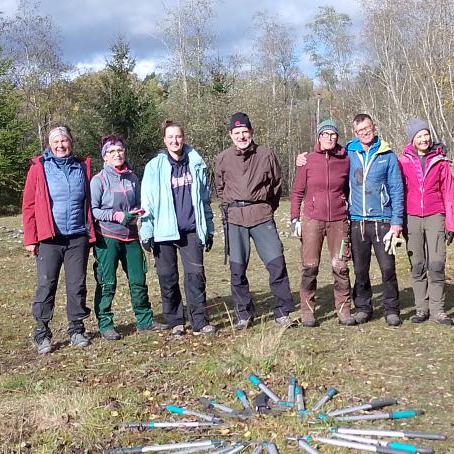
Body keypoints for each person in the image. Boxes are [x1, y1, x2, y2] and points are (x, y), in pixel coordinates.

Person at [212, 112, 296, 330]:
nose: (241, 136)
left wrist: (266, 207)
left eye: (244, 132)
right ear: (230, 135)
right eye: (237, 133)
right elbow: (220, 188)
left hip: (261, 216)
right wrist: (230, 208)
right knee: (237, 270)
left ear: (251, 132)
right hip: (235, 219)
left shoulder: (266, 154)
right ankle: (243, 314)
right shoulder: (223, 158)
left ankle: (283, 313)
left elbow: (277, 185)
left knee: (276, 264)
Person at [21, 124, 95, 354]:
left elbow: (90, 199)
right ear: (49, 144)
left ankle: (77, 329)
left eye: (64, 141)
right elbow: (29, 205)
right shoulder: (39, 168)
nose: (60, 145)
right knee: (46, 285)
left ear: (70, 142)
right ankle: (42, 333)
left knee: (77, 285)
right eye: (56, 141)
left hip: (77, 237)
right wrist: (31, 238)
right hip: (49, 238)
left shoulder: (81, 166)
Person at [140, 122, 217, 336]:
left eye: (178, 136)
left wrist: (208, 228)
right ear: (164, 140)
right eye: (170, 137)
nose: (175, 141)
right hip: (163, 231)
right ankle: (175, 321)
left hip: (191, 229)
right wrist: (146, 231)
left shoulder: (196, 163)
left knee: (196, 276)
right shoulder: (154, 166)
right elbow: (147, 202)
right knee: (168, 278)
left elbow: (205, 199)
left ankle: (199, 321)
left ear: (183, 138)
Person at [90, 135, 164, 340]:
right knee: (107, 282)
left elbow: (140, 202)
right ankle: (105, 324)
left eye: (120, 150)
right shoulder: (98, 180)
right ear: (105, 156)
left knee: (138, 279)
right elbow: (94, 210)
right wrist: (116, 216)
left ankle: (145, 320)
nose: (117, 154)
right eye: (112, 152)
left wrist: (137, 214)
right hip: (107, 237)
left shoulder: (132, 178)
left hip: (130, 236)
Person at [290, 119, 356, 327]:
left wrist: (346, 208)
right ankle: (307, 311)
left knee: (340, 266)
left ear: (337, 137)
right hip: (312, 220)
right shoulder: (307, 160)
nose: (329, 137)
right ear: (319, 137)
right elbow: (297, 191)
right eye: (325, 134)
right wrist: (294, 218)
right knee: (310, 267)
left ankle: (344, 310)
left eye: (333, 134)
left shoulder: (345, 160)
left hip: (338, 220)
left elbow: (349, 188)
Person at [344, 114, 405, 326]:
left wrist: (396, 222)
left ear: (374, 127)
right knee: (360, 269)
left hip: (383, 221)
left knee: (387, 268)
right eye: (360, 130)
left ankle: (391, 309)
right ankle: (363, 307)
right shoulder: (348, 152)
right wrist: (303, 158)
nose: (365, 133)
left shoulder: (387, 155)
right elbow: (328, 158)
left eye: (367, 128)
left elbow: (397, 189)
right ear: (355, 133)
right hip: (357, 221)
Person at [398, 118, 454, 326]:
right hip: (411, 217)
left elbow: (448, 192)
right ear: (412, 139)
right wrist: (397, 221)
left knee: (437, 263)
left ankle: (437, 310)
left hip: (435, 215)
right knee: (417, 264)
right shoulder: (402, 161)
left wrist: (450, 223)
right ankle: (421, 308)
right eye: (419, 136)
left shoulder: (441, 161)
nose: (424, 139)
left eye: (426, 134)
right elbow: (398, 191)